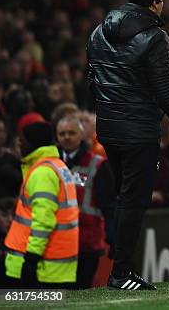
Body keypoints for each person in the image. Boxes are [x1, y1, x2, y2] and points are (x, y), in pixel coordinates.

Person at [87, 0, 169, 290]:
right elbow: (166, 89)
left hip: (109, 127)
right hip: (138, 130)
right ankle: (121, 271)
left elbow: (93, 79)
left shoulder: (99, 31)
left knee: (124, 196)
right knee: (133, 201)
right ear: (156, 1)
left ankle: (121, 266)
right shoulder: (153, 37)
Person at [3, 120, 79, 288]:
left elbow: (43, 221)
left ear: (33, 143)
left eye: (22, 139)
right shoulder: (58, 166)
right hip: (55, 266)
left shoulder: (42, 172)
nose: (19, 143)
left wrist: (31, 258)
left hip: (41, 266)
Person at [56, 115, 116, 289]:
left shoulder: (97, 165)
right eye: (62, 134)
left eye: (71, 133)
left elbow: (109, 205)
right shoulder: (52, 163)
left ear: (81, 136)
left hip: (87, 242)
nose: (66, 137)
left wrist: (113, 236)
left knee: (82, 290)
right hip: (57, 242)